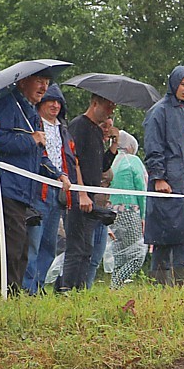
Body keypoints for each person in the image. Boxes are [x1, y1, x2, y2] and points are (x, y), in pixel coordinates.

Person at [0, 70, 70, 297]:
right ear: (23, 81)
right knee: (9, 245)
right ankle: (7, 295)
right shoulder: (6, 105)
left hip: (21, 190)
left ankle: (15, 294)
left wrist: (57, 174)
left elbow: (38, 154)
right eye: (39, 81)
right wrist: (30, 139)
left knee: (23, 245)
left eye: (47, 83)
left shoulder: (32, 113)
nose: (44, 88)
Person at [55, 93, 118, 293]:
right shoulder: (79, 126)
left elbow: (101, 167)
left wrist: (113, 146)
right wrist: (80, 192)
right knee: (76, 247)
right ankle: (66, 288)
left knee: (86, 249)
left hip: (90, 193)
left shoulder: (97, 132)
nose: (110, 111)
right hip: (77, 194)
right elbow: (73, 161)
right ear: (95, 103)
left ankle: (79, 290)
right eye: (108, 106)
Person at [22, 83, 79, 296]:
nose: (55, 105)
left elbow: (71, 160)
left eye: (58, 102)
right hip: (39, 189)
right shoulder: (34, 124)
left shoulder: (63, 129)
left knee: (49, 244)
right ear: (41, 103)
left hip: (59, 194)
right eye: (50, 101)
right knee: (33, 243)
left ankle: (38, 284)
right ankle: (27, 288)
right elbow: (38, 157)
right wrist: (57, 174)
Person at [144, 65, 184, 287]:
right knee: (162, 241)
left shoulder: (182, 112)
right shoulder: (159, 111)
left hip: (181, 187)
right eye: (183, 84)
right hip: (164, 188)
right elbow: (154, 147)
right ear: (174, 83)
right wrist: (159, 178)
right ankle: (158, 292)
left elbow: (182, 151)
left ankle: (181, 292)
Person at [108, 130, 148, 289]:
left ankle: (114, 291)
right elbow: (141, 190)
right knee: (137, 257)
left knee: (119, 255)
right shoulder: (133, 161)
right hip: (130, 212)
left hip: (111, 213)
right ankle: (115, 286)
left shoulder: (110, 161)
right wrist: (144, 216)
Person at [86, 117, 117, 289]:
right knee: (84, 253)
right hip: (89, 207)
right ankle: (72, 288)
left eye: (110, 127)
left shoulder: (104, 150)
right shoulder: (91, 147)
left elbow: (105, 164)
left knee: (96, 257)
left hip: (102, 212)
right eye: (104, 126)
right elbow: (100, 168)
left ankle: (86, 290)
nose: (107, 130)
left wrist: (114, 144)